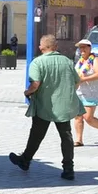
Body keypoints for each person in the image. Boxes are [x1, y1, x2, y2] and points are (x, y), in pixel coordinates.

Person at [10, 34, 84, 180]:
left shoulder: (38, 63)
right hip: (63, 106)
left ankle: (25, 160)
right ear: (55, 47)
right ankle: (68, 169)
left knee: (36, 135)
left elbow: (35, 84)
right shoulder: (67, 62)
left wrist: (27, 92)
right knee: (66, 136)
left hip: (44, 106)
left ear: (41, 47)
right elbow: (77, 81)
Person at [72, 39, 98, 146]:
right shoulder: (80, 61)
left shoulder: (95, 60)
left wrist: (84, 79)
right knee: (78, 116)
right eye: (81, 47)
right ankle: (79, 140)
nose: (82, 49)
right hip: (79, 92)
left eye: (85, 47)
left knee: (88, 117)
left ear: (90, 48)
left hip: (91, 92)